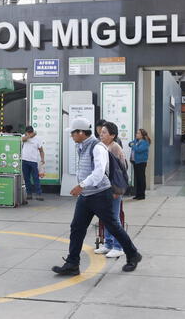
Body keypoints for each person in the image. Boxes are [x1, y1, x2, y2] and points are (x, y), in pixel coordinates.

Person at [52, 118, 142, 276]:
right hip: (87, 196)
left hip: (100, 195)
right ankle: (72, 263)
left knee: (113, 226)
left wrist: (81, 185)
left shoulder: (97, 147)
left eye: (73, 133)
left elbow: (99, 173)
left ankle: (132, 254)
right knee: (77, 228)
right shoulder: (82, 146)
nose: (71, 136)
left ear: (81, 132)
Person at [94, 121, 128, 258]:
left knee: (114, 217)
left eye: (104, 133)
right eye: (100, 132)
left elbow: (122, 171)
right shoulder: (101, 146)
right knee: (106, 217)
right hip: (104, 188)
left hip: (114, 189)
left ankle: (118, 246)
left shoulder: (115, 148)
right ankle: (108, 244)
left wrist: (117, 190)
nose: (101, 135)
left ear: (112, 135)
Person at [21, 126, 45, 201]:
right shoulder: (23, 137)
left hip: (33, 161)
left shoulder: (37, 139)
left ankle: (38, 194)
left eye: (31, 132)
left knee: (35, 178)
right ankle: (29, 194)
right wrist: (29, 136)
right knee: (26, 178)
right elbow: (22, 140)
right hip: (24, 160)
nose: (29, 133)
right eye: (28, 132)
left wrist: (42, 159)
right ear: (26, 132)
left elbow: (41, 150)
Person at [129, 129, 150, 200]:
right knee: (137, 178)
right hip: (135, 162)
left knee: (141, 178)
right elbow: (130, 143)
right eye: (136, 133)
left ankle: (142, 194)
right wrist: (133, 144)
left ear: (142, 135)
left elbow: (139, 150)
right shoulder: (137, 141)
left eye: (138, 133)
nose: (136, 134)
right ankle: (137, 194)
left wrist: (133, 146)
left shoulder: (145, 142)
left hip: (141, 162)